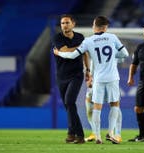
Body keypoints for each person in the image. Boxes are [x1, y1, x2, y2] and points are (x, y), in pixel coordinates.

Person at [54, 16, 129, 144]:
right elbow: (125, 54)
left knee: (96, 107)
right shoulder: (112, 37)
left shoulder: (88, 41)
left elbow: (72, 55)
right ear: (105, 27)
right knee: (115, 104)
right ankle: (112, 133)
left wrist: (59, 53)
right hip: (112, 77)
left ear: (95, 26)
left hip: (98, 78)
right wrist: (112, 58)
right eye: (63, 23)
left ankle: (97, 136)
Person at [52, 14, 90, 144]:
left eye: (67, 23)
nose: (64, 25)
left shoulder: (80, 37)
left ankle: (75, 134)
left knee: (69, 101)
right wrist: (81, 47)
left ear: (73, 24)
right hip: (62, 76)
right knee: (69, 105)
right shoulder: (57, 38)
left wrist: (88, 70)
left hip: (76, 75)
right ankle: (74, 134)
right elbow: (66, 52)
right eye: (62, 23)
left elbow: (85, 54)